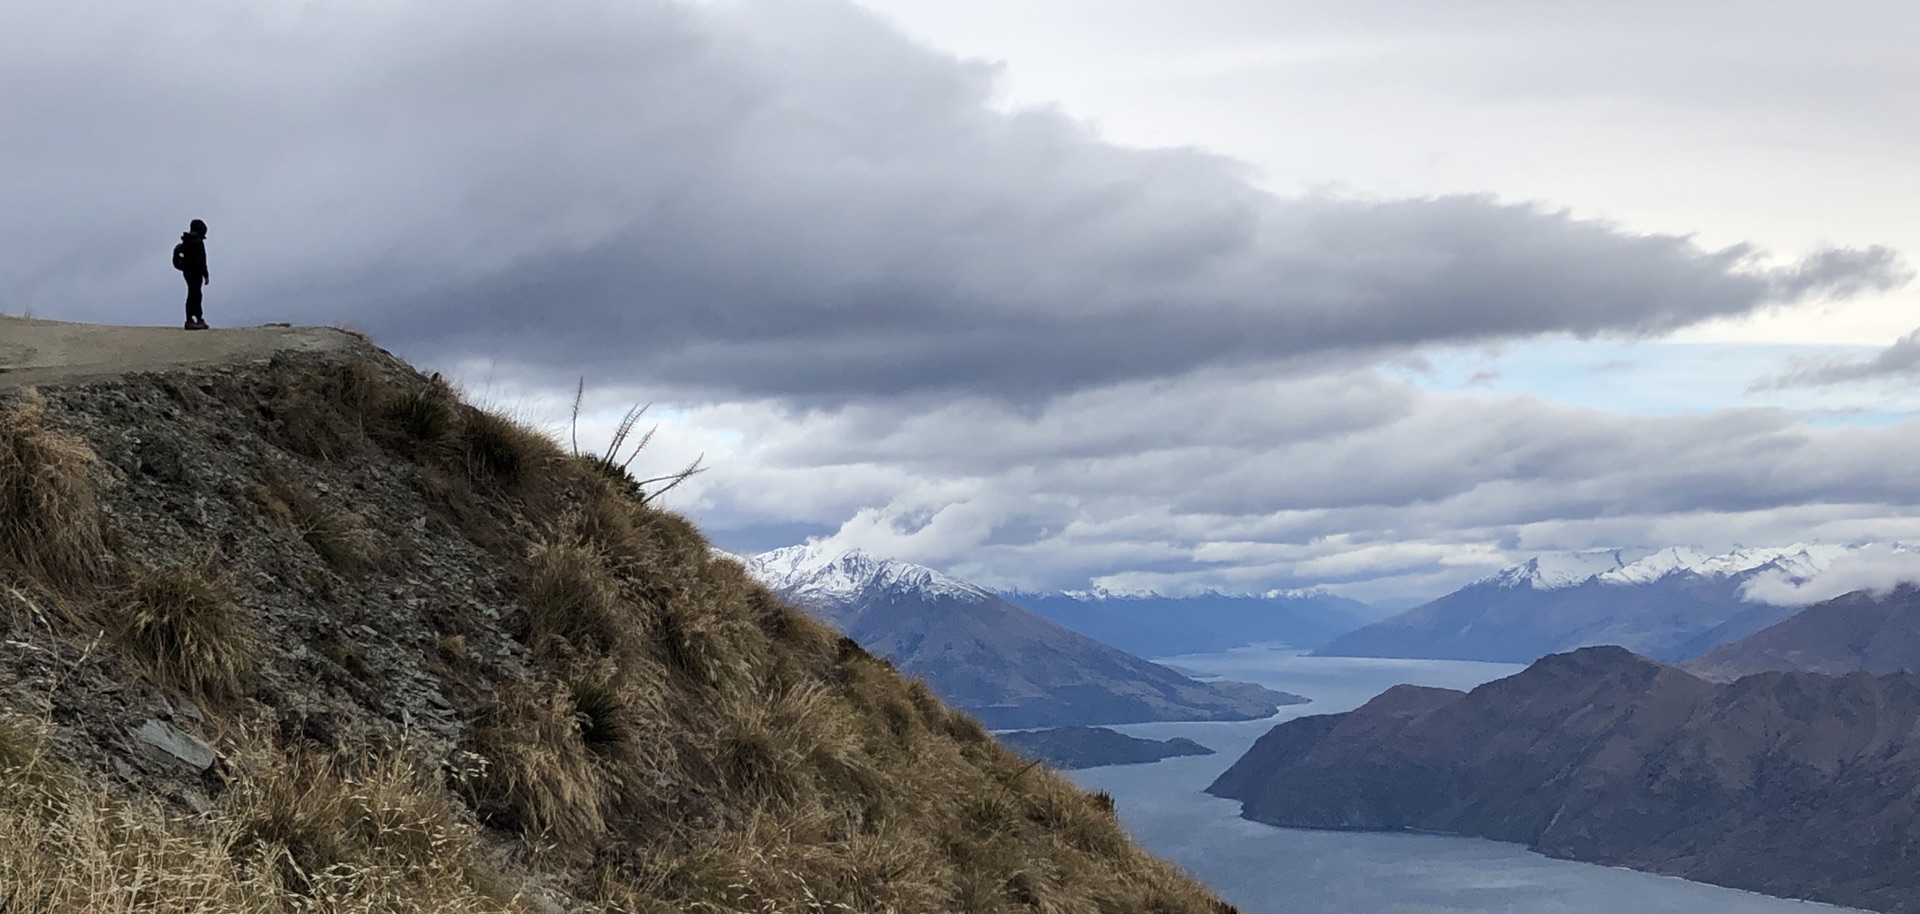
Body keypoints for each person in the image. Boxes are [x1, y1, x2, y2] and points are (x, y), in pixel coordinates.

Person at [173, 219, 210, 330]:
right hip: (196, 272)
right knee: (196, 295)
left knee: (192, 293)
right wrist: (206, 274)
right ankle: (197, 319)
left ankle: (190, 319)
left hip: (187, 271)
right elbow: (201, 260)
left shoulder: (187, 240)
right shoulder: (198, 242)